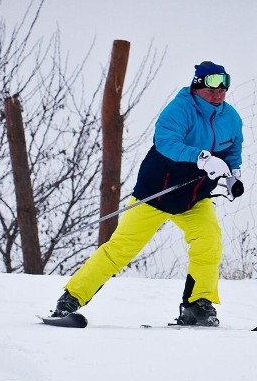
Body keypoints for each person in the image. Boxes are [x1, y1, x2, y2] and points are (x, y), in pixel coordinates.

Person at [50, 61, 244, 326]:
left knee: (209, 241)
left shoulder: (231, 118)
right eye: (212, 84)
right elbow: (166, 142)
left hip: (193, 198)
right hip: (157, 193)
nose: (219, 91)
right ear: (198, 85)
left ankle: (197, 305)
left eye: (225, 84)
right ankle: (70, 299)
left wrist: (234, 175)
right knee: (120, 249)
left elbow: (233, 152)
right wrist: (201, 158)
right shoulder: (179, 109)